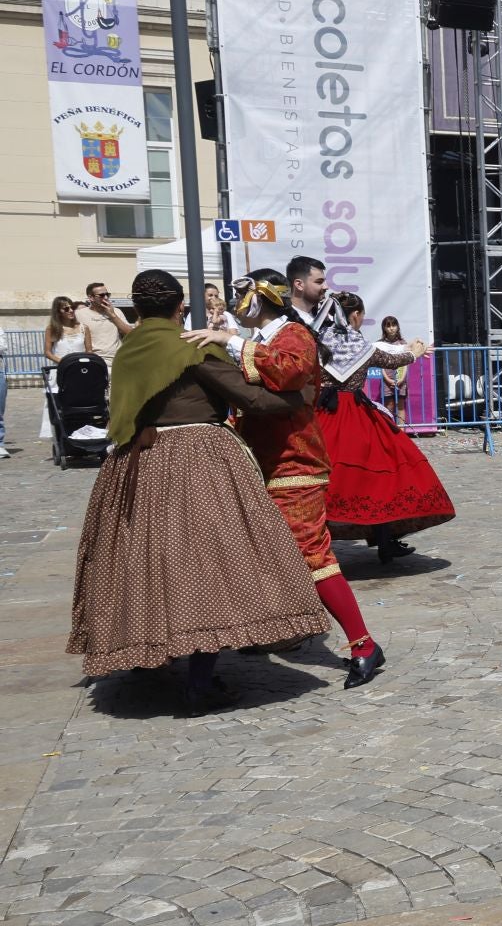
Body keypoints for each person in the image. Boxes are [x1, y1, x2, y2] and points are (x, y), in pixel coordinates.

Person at [69, 270, 329, 713]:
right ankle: (200, 681)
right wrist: (305, 392)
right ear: (179, 308)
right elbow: (254, 401)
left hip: (134, 458)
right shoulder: (190, 345)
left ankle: (145, 655)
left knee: (141, 560)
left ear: (137, 308)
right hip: (196, 456)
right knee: (209, 563)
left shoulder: (130, 346)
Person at [182, 266, 390, 689]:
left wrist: (232, 341)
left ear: (263, 296)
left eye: (242, 294)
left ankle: (364, 645)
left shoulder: (292, 335)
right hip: (258, 462)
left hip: (295, 465)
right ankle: (269, 633)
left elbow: (289, 372)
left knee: (313, 554)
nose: (236, 303)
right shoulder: (263, 338)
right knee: (249, 553)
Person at [311, 293, 454, 563]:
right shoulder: (356, 343)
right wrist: (415, 352)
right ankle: (385, 540)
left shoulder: (319, 340)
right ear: (355, 316)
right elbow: (390, 360)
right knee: (379, 477)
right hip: (353, 415)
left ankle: (317, 543)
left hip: (321, 414)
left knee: (323, 480)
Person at [38, 296, 93, 445]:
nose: (71, 311)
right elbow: (48, 352)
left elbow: (89, 350)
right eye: (66, 308)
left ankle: (86, 434)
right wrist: (65, 363)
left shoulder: (83, 328)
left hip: (80, 373)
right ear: (58, 311)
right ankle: (63, 438)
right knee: (59, 406)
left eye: (72, 307)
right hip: (61, 372)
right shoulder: (53, 329)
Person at [76, 282, 133, 365]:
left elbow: (130, 333)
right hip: (94, 362)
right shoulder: (79, 314)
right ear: (91, 297)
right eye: (101, 295)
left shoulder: (117, 312)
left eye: (107, 294)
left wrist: (112, 315)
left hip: (117, 361)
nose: (106, 298)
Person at [374, 317, 413, 417]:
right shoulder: (380, 344)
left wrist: (402, 378)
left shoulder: (403, 343)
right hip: (387, 379)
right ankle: (389, 431)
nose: (391, 328)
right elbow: (380, 364)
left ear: (397, 327)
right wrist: (387, 379)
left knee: (400, 406)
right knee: (389, 406)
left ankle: (401, 431)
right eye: (388, 326)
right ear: (384, 328)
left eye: (393, 325)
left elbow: (405, 363)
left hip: (401, 379)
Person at [286, 256, 328, 324]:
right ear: (299, 285)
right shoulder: (284, 323)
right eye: (319, 282)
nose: (326, 287)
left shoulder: (326, 318)